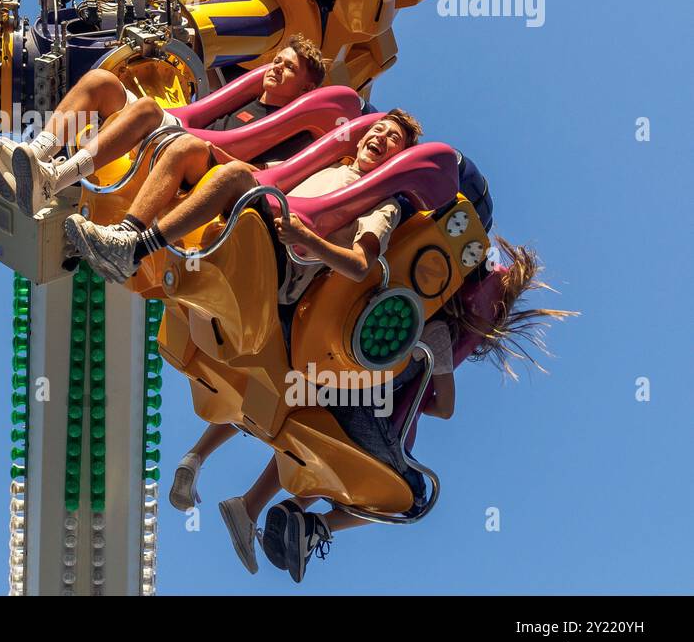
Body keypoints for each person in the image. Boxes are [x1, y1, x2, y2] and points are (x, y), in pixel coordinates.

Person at [182, 238, 573, 582]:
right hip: (361, 415)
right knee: (411, 496)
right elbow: (446, 409)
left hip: (321, 385)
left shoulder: (400, 300)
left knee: (303, 430)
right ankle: (315, 524)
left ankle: (250, 502)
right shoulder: (437, 335)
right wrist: (426, 392)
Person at [0, 35, 327, 217]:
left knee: (148, 109)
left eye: (289, 68)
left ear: (307, 89)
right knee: (99, 82)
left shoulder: (295, 135)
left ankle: (53, 181)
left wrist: (214, 151)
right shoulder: (245, 98)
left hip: (202, 171)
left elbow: (262, 179)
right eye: (277, 61)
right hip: (181, 135)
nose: (276, 68)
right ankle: (35, 153)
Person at [66, 106, 422, 288]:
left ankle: (136, 249)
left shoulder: (382, 203)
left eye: (394, 139)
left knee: (235, 176)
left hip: (284, 259)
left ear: (400, 160)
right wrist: (211, 152)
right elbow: (265, 177)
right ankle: (127, 235)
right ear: (360, 138)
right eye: (379, 129)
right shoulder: (327, 166)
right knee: (190, 147)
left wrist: (305, 238)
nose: (382, 137)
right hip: (265, 215)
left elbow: (360, 267)